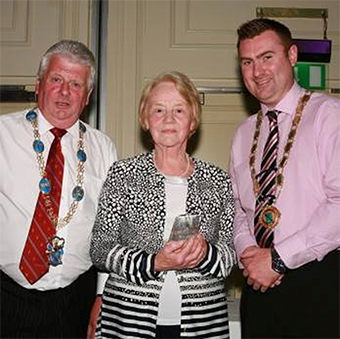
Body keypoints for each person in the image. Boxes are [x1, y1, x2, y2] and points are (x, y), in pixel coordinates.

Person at [90, 71, 236, 339]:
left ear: (193, 120)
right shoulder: (123, 175)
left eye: (179, 110)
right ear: (145, 119)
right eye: (158, 110)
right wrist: (154, 262)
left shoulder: (218, 181)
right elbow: (100, 249)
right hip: (128, 322)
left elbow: (231, 255)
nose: (168, 119)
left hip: (202, 324)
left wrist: (205, 254)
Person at [229, 18, 340, 338]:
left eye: (267, 57)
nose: (257, 70)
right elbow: (238, 207)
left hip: (319, 283)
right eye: (247, 62)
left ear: (292, 56)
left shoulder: (328, 115)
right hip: (258, 286)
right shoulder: (243, 132)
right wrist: (248, 253)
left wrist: (278, 259)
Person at [0, 40, 117, 338]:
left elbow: (109, 229)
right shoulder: (3, 134)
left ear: (88, 96)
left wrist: (102, 297)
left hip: (75, 300)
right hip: (6, 295)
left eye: (76, 84)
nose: (65, 92)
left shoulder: (103, 148)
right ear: (39, 85)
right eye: (56, 80)